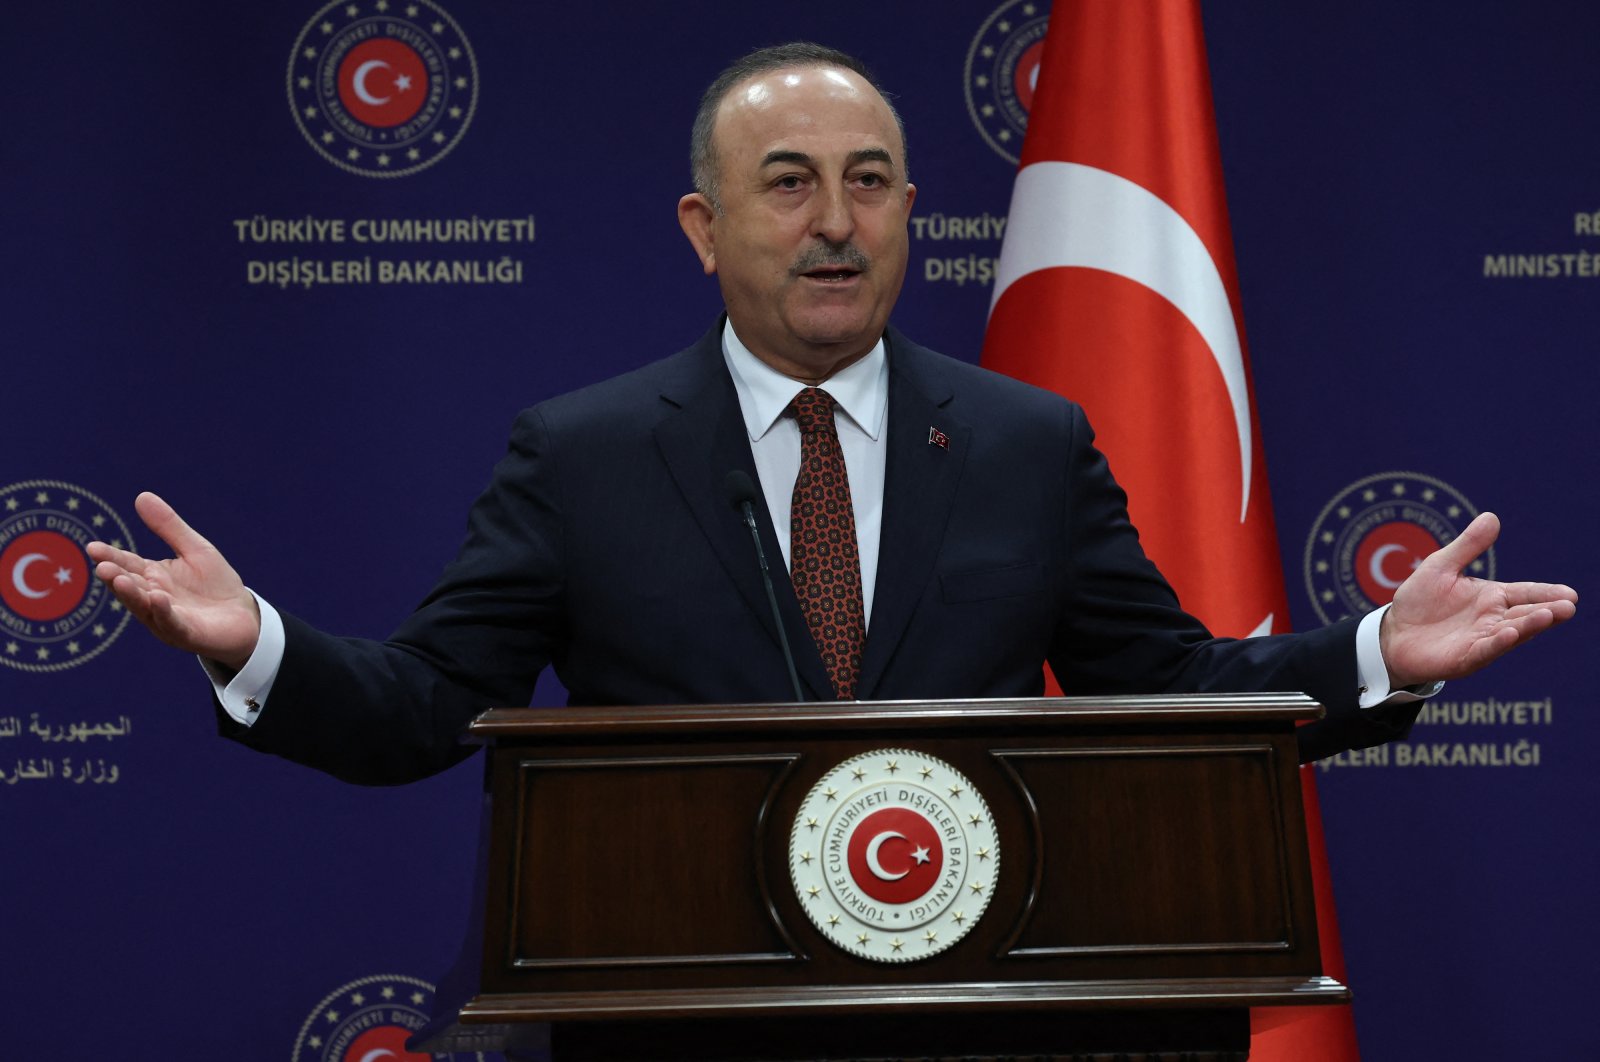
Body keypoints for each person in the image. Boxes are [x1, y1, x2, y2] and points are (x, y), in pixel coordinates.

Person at [86, 43, 1576, 785]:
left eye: (870, 181)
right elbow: (423, 707)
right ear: (701, 226)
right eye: (788, 182)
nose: (835, 222)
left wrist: (1379, 652)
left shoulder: (1026, 443)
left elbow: (1171, 690)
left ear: (914, 214)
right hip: (682, 1006)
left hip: (982, 1013)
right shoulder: (584, 454)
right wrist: (254, 645)